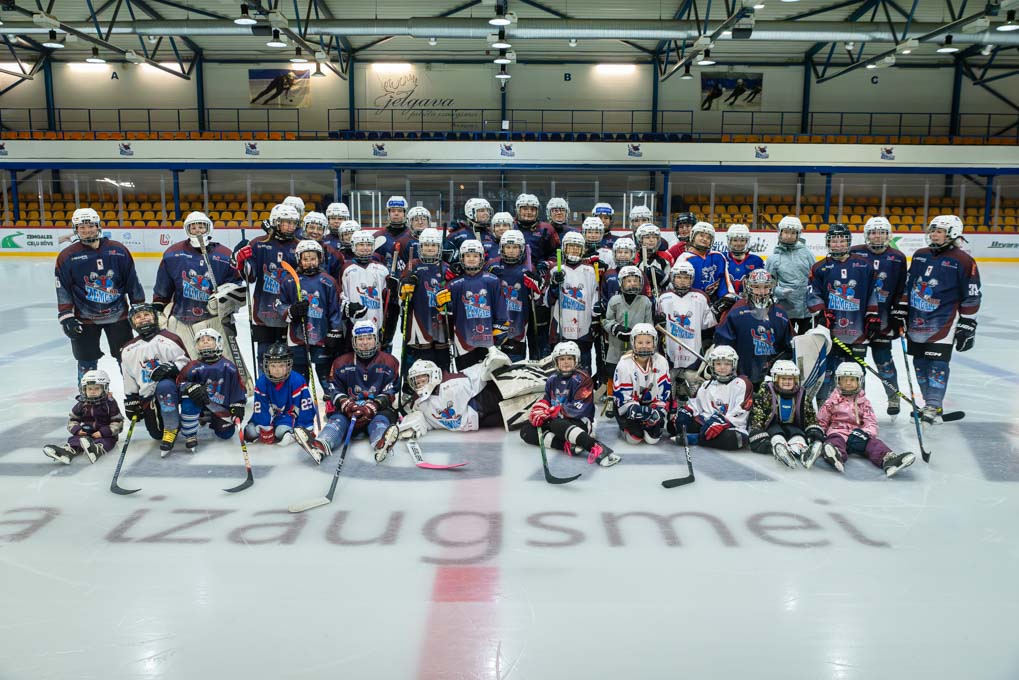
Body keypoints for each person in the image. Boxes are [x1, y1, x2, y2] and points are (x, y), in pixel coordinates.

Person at [901, 214, 981, 424]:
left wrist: (967, 323)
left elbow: (972, 294)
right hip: (917, 321)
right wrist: (901, 310)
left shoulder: (963, 260)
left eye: (939, 231)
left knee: (937, 363)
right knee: (920, 363)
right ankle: (931, 404)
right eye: (933, 230)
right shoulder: (920, 255)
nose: (934, 235)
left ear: (952, 234)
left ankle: (933, 404)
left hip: (944, 322)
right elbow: (908, 285)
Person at [56, 207, 146, 383]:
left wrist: (139, 305)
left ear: (98, 226)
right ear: (75, 229)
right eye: (81, 227)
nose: (87, 230)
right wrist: (66, 315)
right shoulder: (67, 256)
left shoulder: (118, 250)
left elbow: (131, 280)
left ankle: (133, 392)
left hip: (118, 316)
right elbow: (63, 287)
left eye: (90, 226)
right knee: (86, 360)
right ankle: (87, 394)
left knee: (125, 356)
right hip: (84, 319)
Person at [153, 211, 246, 367]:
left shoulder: (224, 255)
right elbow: (163, 288)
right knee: (186, 363)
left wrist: (223, 298)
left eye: (201, 227)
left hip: (215, 319)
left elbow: (237, 286)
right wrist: (158, 309)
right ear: (187, 230)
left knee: (223, 363)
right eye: (193, 228)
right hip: (182, 318)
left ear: (209, 228)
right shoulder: (172, 254)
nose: (198, 231)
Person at [808, 223, 880, 404]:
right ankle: (825, 406)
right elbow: (812, 293)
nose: (838, 244)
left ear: (848, 242)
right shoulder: (819, 267)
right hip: (829, 331)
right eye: (834, 241)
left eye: (842, 240)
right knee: (828, 370)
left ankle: (856, 406)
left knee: (856, 371)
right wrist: (821, 313)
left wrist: (872, 316)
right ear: (828, 243)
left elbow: (872, 293)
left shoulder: (864, 266)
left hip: (858, 331)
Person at [308, 321, 400, 463]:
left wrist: (374, 405)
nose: (365, 343)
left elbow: (392, 389)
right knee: (337, 420)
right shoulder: (341, 362)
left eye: (369, 338)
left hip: (378, 410)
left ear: (376, 339)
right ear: (354, 341)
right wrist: (347, 404)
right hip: (350, 411)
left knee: (381, 420)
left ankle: (380, 443)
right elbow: (333, 389)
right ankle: (322, 444)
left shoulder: (389, 361)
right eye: (360, 339)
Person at [520, 341, 619, 466]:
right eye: (562, 359)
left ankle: (596, 447)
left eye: (569, 358)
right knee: (526, 430)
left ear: (576, 360)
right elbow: (547, 398)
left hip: (580, 422)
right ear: (556, 361)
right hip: (556, 419)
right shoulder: (552, 379)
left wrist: (551, 413)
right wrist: (539, 409)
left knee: (556, 424)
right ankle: (566, 445)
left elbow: (579, 408)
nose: (566, 362)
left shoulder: (583, 379)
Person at [815, 362, 915, 477]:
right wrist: (818, 433)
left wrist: (866, 433)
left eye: (852, 380)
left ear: (859, 381)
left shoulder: (864, 403)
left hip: (857, 436)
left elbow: (871, 421)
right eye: (844, 380)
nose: (848, 383)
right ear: (838, 381)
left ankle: (888, 459)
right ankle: (835, 454)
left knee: (874, 444)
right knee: (834, 441)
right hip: (837, 432)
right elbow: (822, 419)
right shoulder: (831, 402)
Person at [851, 216, 908, 415]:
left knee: (884, 361)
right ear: (867, 234)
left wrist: (899, 312)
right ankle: (858, 402)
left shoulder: (898, 258)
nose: (877, 236)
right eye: (874, 232)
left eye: (882, 232)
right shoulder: (855, 252)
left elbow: (902, 288)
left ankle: (893, 396)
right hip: (858, 321)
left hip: (883, 320)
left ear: (888, 235)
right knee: (857, 365)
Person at [232, 203, 300, 366]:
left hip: (290, 313)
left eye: (293, 222)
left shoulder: (300, 245)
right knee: (264, 358)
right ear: (276, 221)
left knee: (289, 360)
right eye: (286, 222)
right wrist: (241, 262)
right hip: (263, 314)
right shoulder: (258, 243)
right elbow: (250, 276)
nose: (291, 226)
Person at [120, 303, 190, 452]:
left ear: (155, 317)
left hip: (173, 389)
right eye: (138, 317)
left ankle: (174, 424)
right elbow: (129, 377)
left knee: (165, 385)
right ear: (132, 322)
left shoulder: (169, 338)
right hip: (148, 394)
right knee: (157, 434)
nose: (143, 319)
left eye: (147, 315)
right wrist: (131, 399)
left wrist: (173, 367)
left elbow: (186, 363)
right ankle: (170, 419)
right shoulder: (128, 349)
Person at [398, 347, 511, 437]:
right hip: (479, 424)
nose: (419, 385)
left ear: (434, 375)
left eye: (422, 379)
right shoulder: (418, 403)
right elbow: (423, 420)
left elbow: (481, 372)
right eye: (416, 382)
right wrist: (410, 425)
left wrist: (491, 362)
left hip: (481, 408)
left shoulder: (454, 383)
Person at [276, 239, 344, 386]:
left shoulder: (328, 281)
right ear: (299, 260)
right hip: (297, 338)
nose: (309, 262)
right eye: (305, 259)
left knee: (327, 380)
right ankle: (302, 400)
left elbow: (335, 310)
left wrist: (335, 332)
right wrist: (291, 311)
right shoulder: (289, 281)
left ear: (320, 259)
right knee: (300, 381)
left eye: (313, 258)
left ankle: (330, 400)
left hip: (322, 338)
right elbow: (280, 305)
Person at [713, 269, 792, 390]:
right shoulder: (736, 312)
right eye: (756, 287)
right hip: (739, 376)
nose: (762, 292)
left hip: (770, 378)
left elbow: (788, 348)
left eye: (766, 287)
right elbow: (723, 344)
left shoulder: (780, 314)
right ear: (749, 288)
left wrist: (774, 366)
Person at [175, 329, 247, 452]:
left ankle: (210, 418)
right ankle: (190, 432)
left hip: (220, 408)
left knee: (226, 434)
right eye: (201, 340)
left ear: (218, 343)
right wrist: (190, 387)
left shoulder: (229, 367)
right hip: (199, 403)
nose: (205, 342)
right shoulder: (192, 366)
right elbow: (179, 384)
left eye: (209, 339)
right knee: (188, 398)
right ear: (196, 346)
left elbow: (237, 388)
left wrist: (237, 406)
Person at [442, 239, 507, 370]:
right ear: (461, 258)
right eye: (468, 256)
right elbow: (448, 315)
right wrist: (443, 307)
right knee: (466, 378)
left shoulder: (493, 281)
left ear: (481, 258)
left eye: (475, 256)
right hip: (463, 341)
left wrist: (498, 334)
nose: (471, 259)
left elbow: (501, 311)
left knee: (489, 378)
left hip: (489, 341)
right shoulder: (453, 284)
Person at [657, 260, 716, 401]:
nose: (682, 281)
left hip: (693, 352)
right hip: (670, 352)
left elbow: (708, 325)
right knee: (667, 389)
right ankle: (670, 408)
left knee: (694, 390)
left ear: (692, 279)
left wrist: (717, 312)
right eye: (679, 277)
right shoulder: (664, 298)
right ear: (673, 278)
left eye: (686, 277)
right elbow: (658, 326)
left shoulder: (700, 297)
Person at [747, 361, 824, 468]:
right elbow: (758, 412)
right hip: (773, 426)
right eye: (783, 379)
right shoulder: (767, 391)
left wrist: (813, 429)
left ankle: (803, 450)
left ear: (795, 380)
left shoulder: (801, 394)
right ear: (776, 379)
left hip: (793, 425)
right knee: (776, 433)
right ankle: (780, 447)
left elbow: (809, 414)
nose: (787, 382)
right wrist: (757, 429)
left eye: (790, 379)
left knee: (797, 434)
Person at [673, 345, 752, 451]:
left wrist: (721, 421)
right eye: (718, 364)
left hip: (731, 426)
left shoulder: (742, 383)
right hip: (707, 423)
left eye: (727, 364)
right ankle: (703, 437)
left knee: (735, 439)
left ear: (734, 364)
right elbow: (695, 405)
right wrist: (686, 412)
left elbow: (740, 411)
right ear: (712, 365)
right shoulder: (706, 385)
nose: (722, 367)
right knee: (678, 425)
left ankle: (696, 439)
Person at [244, 343, 317, 455]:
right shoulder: (261, 382)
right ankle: (280, 429)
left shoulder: (297, 381)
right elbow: (261, 409)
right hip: (271, 416)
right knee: (250, 432)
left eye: (281, 365)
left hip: (288, 417)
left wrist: (306, 427)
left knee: (281, 431)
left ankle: (289, 433)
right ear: (267, 366)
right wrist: (265, 428)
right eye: (273, 366)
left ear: (288, 365)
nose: (277, 370)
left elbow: (305, 407)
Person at [400, 228, 454, 370]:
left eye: (434, 245)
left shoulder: (446, 268)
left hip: (440, 321)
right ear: (420, 247)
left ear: (439, 247)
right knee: (419, 362)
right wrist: (404, 288)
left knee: (442, 361)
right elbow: (401, 289)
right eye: (426, 245)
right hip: (418, 318)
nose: (430, 248)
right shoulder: (413, 265)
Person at [43, 370, 123, 465]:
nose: (92, 391)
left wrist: (103, 432)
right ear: (84, 389)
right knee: (75, 440)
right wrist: (77, 430)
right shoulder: (81, 404)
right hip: (86, 433)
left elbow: (118, 422)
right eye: (89, 389)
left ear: (104, 388)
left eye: (97, 388)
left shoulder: (110, 403)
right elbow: (73, 420)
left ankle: (96, 449)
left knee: (107, 441)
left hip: (105, 435)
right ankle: (67, 452)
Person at [485, 229, 542, 362]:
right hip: (495, 324)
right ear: (501, 248)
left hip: (518, 322)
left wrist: (536, 287)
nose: (511, 251)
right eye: (508, 247)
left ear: (521, 249)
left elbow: (536, 300)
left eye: (515, 247)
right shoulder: (492, 266)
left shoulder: (528, 269)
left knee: (516, 363)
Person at [613, 324, 672, 445]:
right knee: (634, 438)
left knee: (652, 439)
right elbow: (622, 397)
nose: (644, 346)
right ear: (633, 343)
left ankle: (646, 426)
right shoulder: (624, 364)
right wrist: (636, 410)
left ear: (654, 343)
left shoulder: (661, 362)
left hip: (651, 405)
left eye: (648, 342)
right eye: (640, 342)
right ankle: (627, 427)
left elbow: (663, 394)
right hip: (630, 406)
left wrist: (656, 412)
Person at [547, 231, 598, 372]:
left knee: (584, 371)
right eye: (571, 246)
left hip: (583, 330)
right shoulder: (556, 269)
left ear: (583, 250)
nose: (574, 249)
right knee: (558, 371)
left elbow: (595, 299)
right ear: (564, 248)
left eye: (578, 247)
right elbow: (547, 301)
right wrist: (554, 285)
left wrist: (595, 322)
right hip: (560, 330)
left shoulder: (590, 271)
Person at [603, 266, 654, 395]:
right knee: (613, 373)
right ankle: (611, 397)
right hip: (616, 346)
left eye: (635, 281)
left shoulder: (645, 302)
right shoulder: (614, 301)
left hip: (637, 347)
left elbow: (649, 325)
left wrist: (639, 334)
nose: (632, 283)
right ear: (621, 282)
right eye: (629, 281)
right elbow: (607, 321)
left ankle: (636, 395)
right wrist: (617, 329)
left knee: (636, 373)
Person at [765, 215, 815, 335]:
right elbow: (768, 285)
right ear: (780, 232)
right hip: (785, 307)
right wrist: (780, 292)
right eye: (786, 232)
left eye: (793, 233)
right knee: (784, 341)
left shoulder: (807, 254)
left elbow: (815, 277)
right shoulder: (773, 258)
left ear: (798, 234)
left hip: (806, 309)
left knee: (806, 342)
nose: (789, 236)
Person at [377, 196, 413, 350]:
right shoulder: (378, 237)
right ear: (388, 213)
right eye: (393, 211)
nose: (396, 214)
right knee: (385, 335)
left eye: (399, 211)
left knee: (409, 334)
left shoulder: (412, 236)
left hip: (407, 292)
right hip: (387, 294)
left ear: (405, 213)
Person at [679, 221, 736, 316]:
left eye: (708, 237)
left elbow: (725, 283)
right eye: (701, 235)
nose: (704, 239)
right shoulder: (684, 258)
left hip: (715, 307)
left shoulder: (718, 257)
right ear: (693, 236)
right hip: (690, 306)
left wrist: (727, 297)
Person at [340, 230, 388, 340]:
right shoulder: (346, 269)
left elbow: (388, 298)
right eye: (361, 244)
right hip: (353, 322)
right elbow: (341, 294)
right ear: (353, 246)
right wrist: (346, 306)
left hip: (377, 321)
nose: (365, 248)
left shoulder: (382, 269)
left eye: (369, 245)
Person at [300, 211, 345, 281]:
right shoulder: (295, 249)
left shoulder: (334, 254)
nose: (315, 231)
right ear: (305, 228)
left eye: (319, 229)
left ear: (324, 231)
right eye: (311, 227)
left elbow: (337, 282)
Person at [723, 223, 764, 297]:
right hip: (725, 300)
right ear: (729, 241)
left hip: (748, 301)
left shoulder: (756, 261)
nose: (738, 243)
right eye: (735, 240)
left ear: (746, 241)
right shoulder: (721, 258)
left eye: (742, 240)